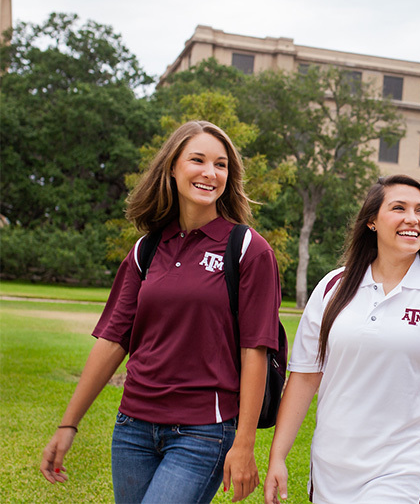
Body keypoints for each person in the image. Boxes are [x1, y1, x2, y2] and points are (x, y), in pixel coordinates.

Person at [39, 120, 282, 503]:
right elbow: (114, 340)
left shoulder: (248, 249)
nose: (209, 172)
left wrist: (245, 443)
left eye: (221, 165)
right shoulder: (147, 249)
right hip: (132, 428)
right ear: (172, 167)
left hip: (203, 431)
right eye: (197, 160)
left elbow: (256, 349)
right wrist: (69, 423)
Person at [263, 175, 420, 504]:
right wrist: (277, 457)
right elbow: (304, 378)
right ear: (371, 221)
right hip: (331, 465)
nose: (412, 219)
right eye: (398, 208)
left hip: (403, 467)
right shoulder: (333, 288)